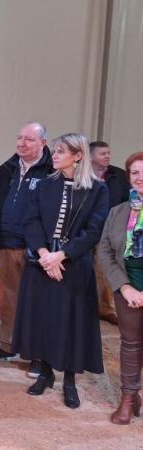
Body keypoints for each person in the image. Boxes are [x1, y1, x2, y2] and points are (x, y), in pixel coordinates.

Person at [12, 133, 108, 409]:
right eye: (54, 151)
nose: (54, 155)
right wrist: (45, 255)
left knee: (71, 324)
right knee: (42, 319)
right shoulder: (43, 186)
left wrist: (62, 256)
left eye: (60, 151)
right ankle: (44, 373)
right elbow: (30, 222)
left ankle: (69, 381)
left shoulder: (97, 190)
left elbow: (94, 230)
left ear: (78, 156)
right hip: (42, 265)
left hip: (74, 267)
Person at [0, 122, 53, 379]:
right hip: (7, 244)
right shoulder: (7, 168)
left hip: (38, 250)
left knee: (36, 304)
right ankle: (8, 346)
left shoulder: (52, 171)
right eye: (19, 138)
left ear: (43, 143)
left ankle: (36, 355)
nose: (22, 143)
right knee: (7, 300)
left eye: (29, 139)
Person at [98, 151, 143, 424]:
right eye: (135, 172)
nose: (140, 178)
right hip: (127, 287)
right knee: (130, 344)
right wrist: (125, 288)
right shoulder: (117, 212)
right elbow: (104, 253)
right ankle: (129, 397)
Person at [91, 140, 130, 326]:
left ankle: (105, 308)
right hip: (84, 228)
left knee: (103, 269)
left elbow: (127, 201)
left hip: (108, 230)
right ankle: (84, 305)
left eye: (108, 153)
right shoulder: (82, 174)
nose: (107, 156)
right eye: (102, 153)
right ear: (91, 156)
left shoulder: (119, 176)